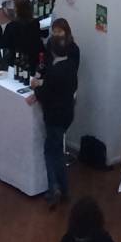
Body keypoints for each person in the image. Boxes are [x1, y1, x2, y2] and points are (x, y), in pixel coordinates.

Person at [34, 16, 81, 208]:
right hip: (67, 111)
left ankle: (54, 187)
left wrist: (37, 87)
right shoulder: (69, 67)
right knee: (57, 150)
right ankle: (64, 187)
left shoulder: (55, 72)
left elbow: (44, 94)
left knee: (51, 152)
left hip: (54, 115)